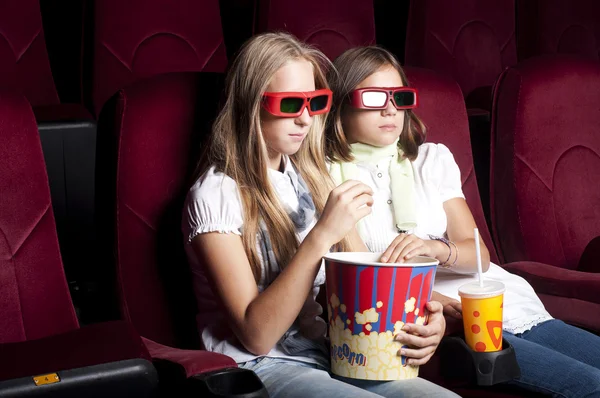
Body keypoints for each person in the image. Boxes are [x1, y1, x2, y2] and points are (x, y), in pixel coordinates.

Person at [182, 33, 457, 398]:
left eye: (315, 102)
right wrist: (322, 235)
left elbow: (369, 283)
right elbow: (257, 335)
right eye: (291, 103)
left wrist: (429, 319)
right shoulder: (215, 194)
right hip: (255, 365)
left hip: (330, 352)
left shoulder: (312, 178)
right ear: (250, 105)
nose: (306, 118)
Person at [326, 45, 600, 398]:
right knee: (591, 387)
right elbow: (370, 282)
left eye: (400, 97)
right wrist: (449, 306)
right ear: (342, 104)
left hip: (495, 299)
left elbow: (478, 255)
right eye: (375, 96)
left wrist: (434, 248)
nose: (391, 109)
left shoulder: (431, 159)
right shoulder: (327, 177)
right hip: (435, 319)